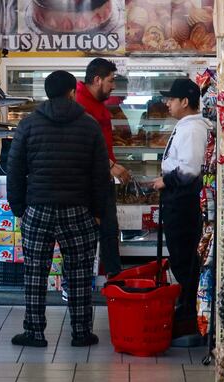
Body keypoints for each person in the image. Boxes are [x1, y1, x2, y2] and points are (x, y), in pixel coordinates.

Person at [7, 71, 110, 348]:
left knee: (35, 273)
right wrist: (99, 211)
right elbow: (100, 174)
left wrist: (19, 207)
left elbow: (14, 169)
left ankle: (34, 332)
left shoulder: (28, 125)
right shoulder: (89, 126)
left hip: (38, 208)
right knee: (78, 272)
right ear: (71, 92)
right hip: (78, 209)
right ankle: (81, 332)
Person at [153, 79, 213, 341]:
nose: (167, 103)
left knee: (185, 259)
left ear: (185, 102)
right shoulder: (187, 126)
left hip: (184, 202)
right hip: (178, 200)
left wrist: (166, 181)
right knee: (181, 258)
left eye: (171, 99)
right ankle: (188, 310)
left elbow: (190, 169)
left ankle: (190, 315)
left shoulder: (193, 129)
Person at [75, 58, 130, 280]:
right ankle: (81, 281)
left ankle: (114, 279)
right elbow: (82, 143)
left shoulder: (96, 102)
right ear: (97, 80)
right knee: (94, 231)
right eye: (110, 80)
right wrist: (111, 165)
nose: (113, 86)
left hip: (102, 177)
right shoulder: (79, 102)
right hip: (88, 181)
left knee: (109, 230)